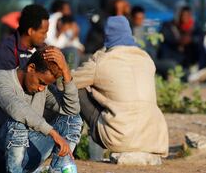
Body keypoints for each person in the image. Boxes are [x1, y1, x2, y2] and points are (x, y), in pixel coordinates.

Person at [72, 16, 169, 156]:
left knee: (75, 89)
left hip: (119, 138)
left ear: (106, 35)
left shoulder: (102, 60)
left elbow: (69, 82)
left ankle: (69, 149)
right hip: (154, 138)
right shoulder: (146, 59)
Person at [0, 47, 82, 173]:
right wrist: (53, 133)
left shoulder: (43, 89)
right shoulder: (0, 79)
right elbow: (18, 110)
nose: (41, 89)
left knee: (72, 120)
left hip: (26, 155)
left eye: (45, 85)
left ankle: (58, 169)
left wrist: (66, 72)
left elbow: (72, 110)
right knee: (18, 123)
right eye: (41, 82)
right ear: (31, 68)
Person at [158, 5, 206, 82]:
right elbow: (168, 40)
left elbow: (201, 37)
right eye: (184, 15)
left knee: (200, 47)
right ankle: (189, 76)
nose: (186, 18)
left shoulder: (194, 27)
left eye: (188, 15)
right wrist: (179, 40)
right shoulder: (167, 26)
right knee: (172, 62)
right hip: (171, 57)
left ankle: (197, 70)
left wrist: (191, 39)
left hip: (187, 59)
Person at [0, 4, 49, 71]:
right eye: (43, 33)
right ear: (30, 31)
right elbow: (5, 80)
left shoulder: (43, 49)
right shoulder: (6, 51)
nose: (45, 36)